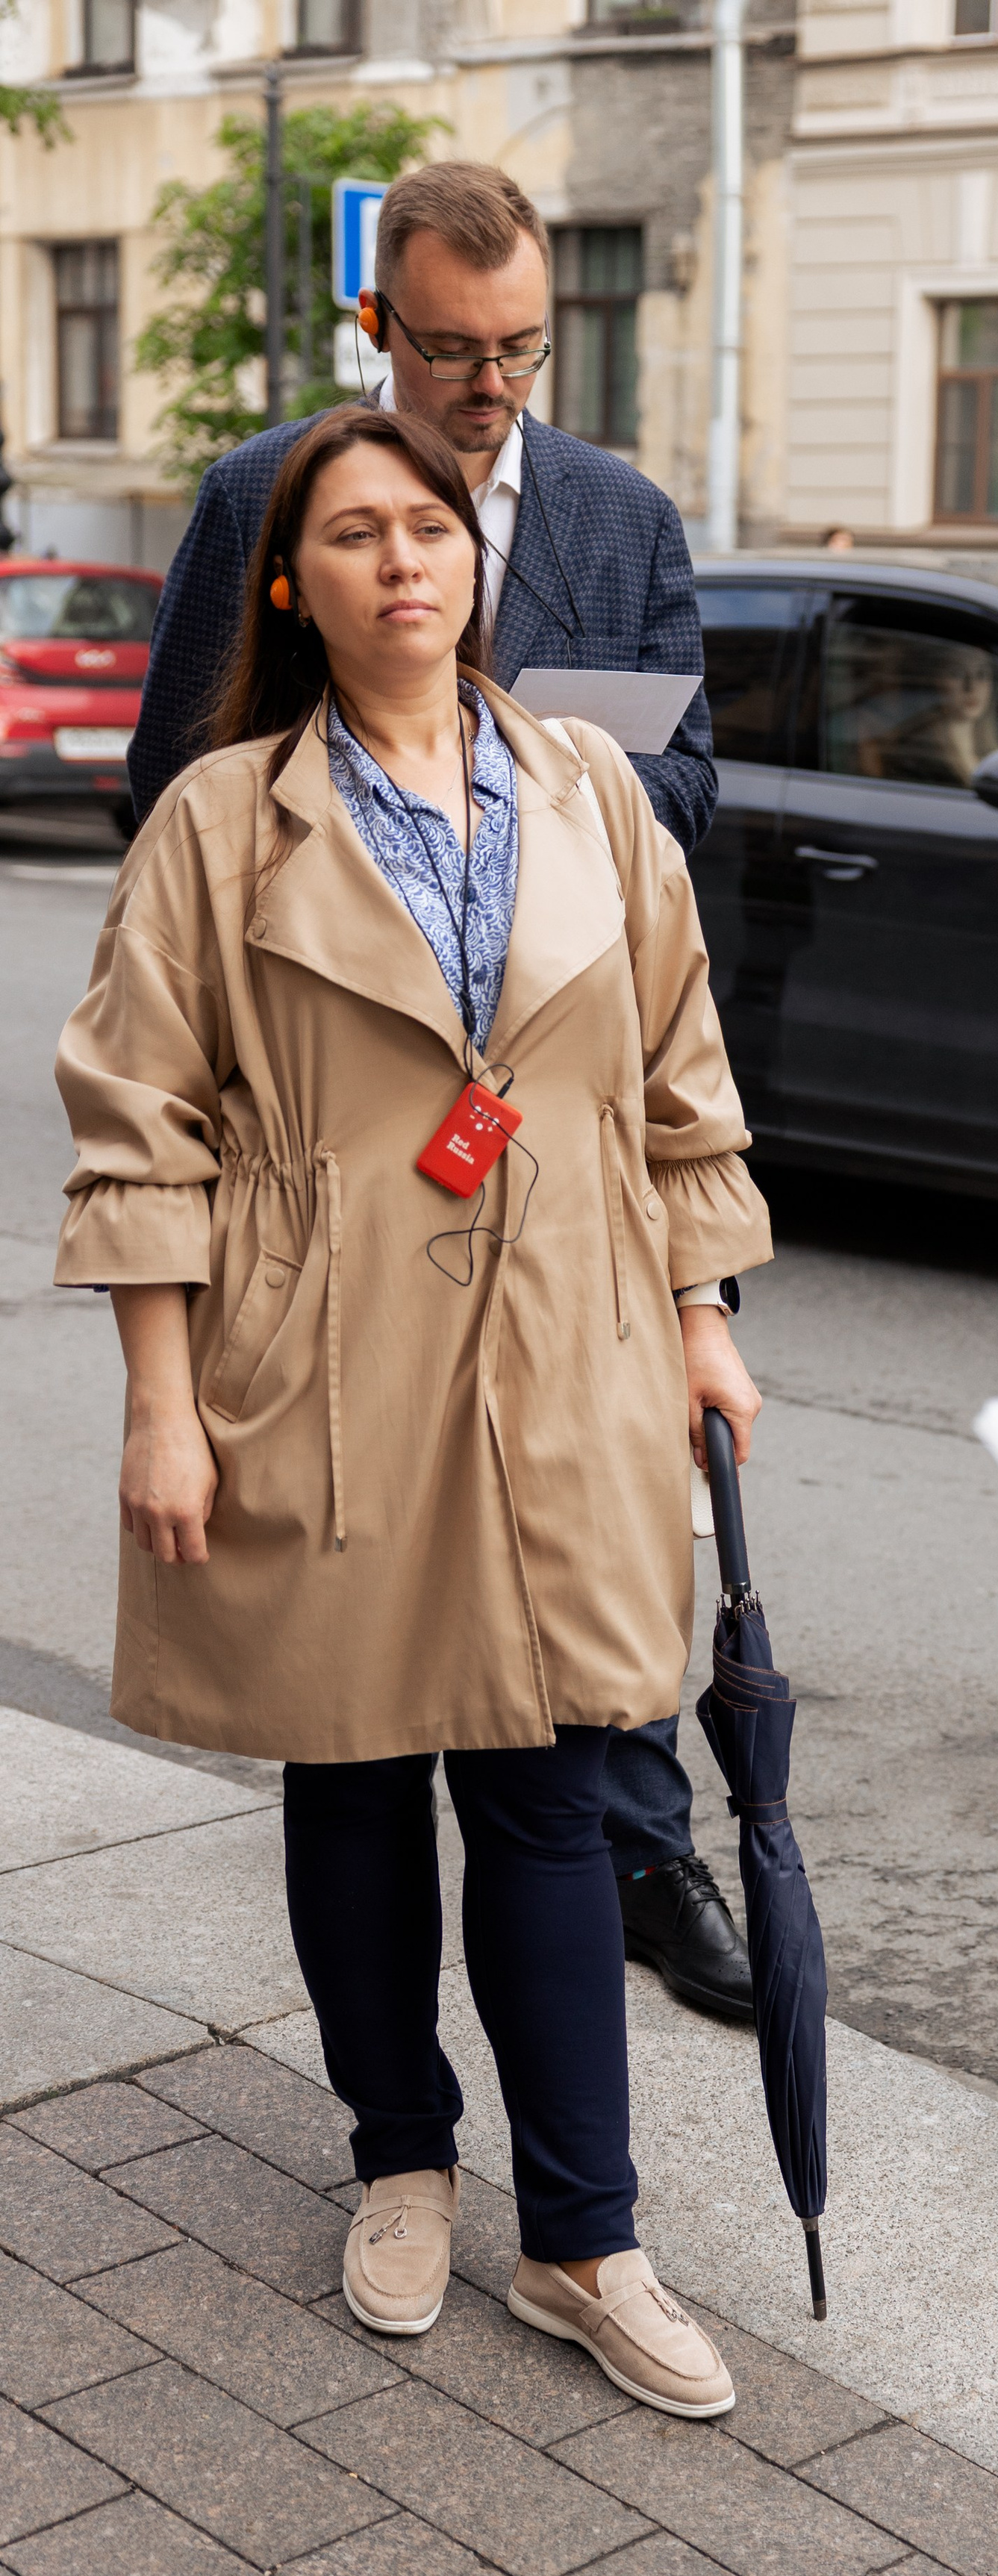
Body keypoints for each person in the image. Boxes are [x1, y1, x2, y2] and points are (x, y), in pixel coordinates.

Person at [55, 402, 771, 2412]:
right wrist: (164, 1404)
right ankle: (398, 2156)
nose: (401, 561)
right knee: (355, 1780)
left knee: (559, 1786)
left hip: (573, 1333)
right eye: (355, 535)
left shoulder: (592, 796)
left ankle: (585, 2236)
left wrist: (704, 1309)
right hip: (322, 1348)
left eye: (430, 530)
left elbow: (676, 1067)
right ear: (295, 583)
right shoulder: (224, 817)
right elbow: (139, 1124)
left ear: (476, 565)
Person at [128, 158, 753, 2025]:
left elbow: (698, 775)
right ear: (378, 326)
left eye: (522, 348)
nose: (490, 385)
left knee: (585, 1567)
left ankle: (647, 1857)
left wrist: (544, 799)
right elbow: (180, 759)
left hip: (553, 1076)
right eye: (454, 348)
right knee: (371, 1636)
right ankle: (404, 2073)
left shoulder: (618, 516)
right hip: (344, 1134)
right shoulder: (268, 493)